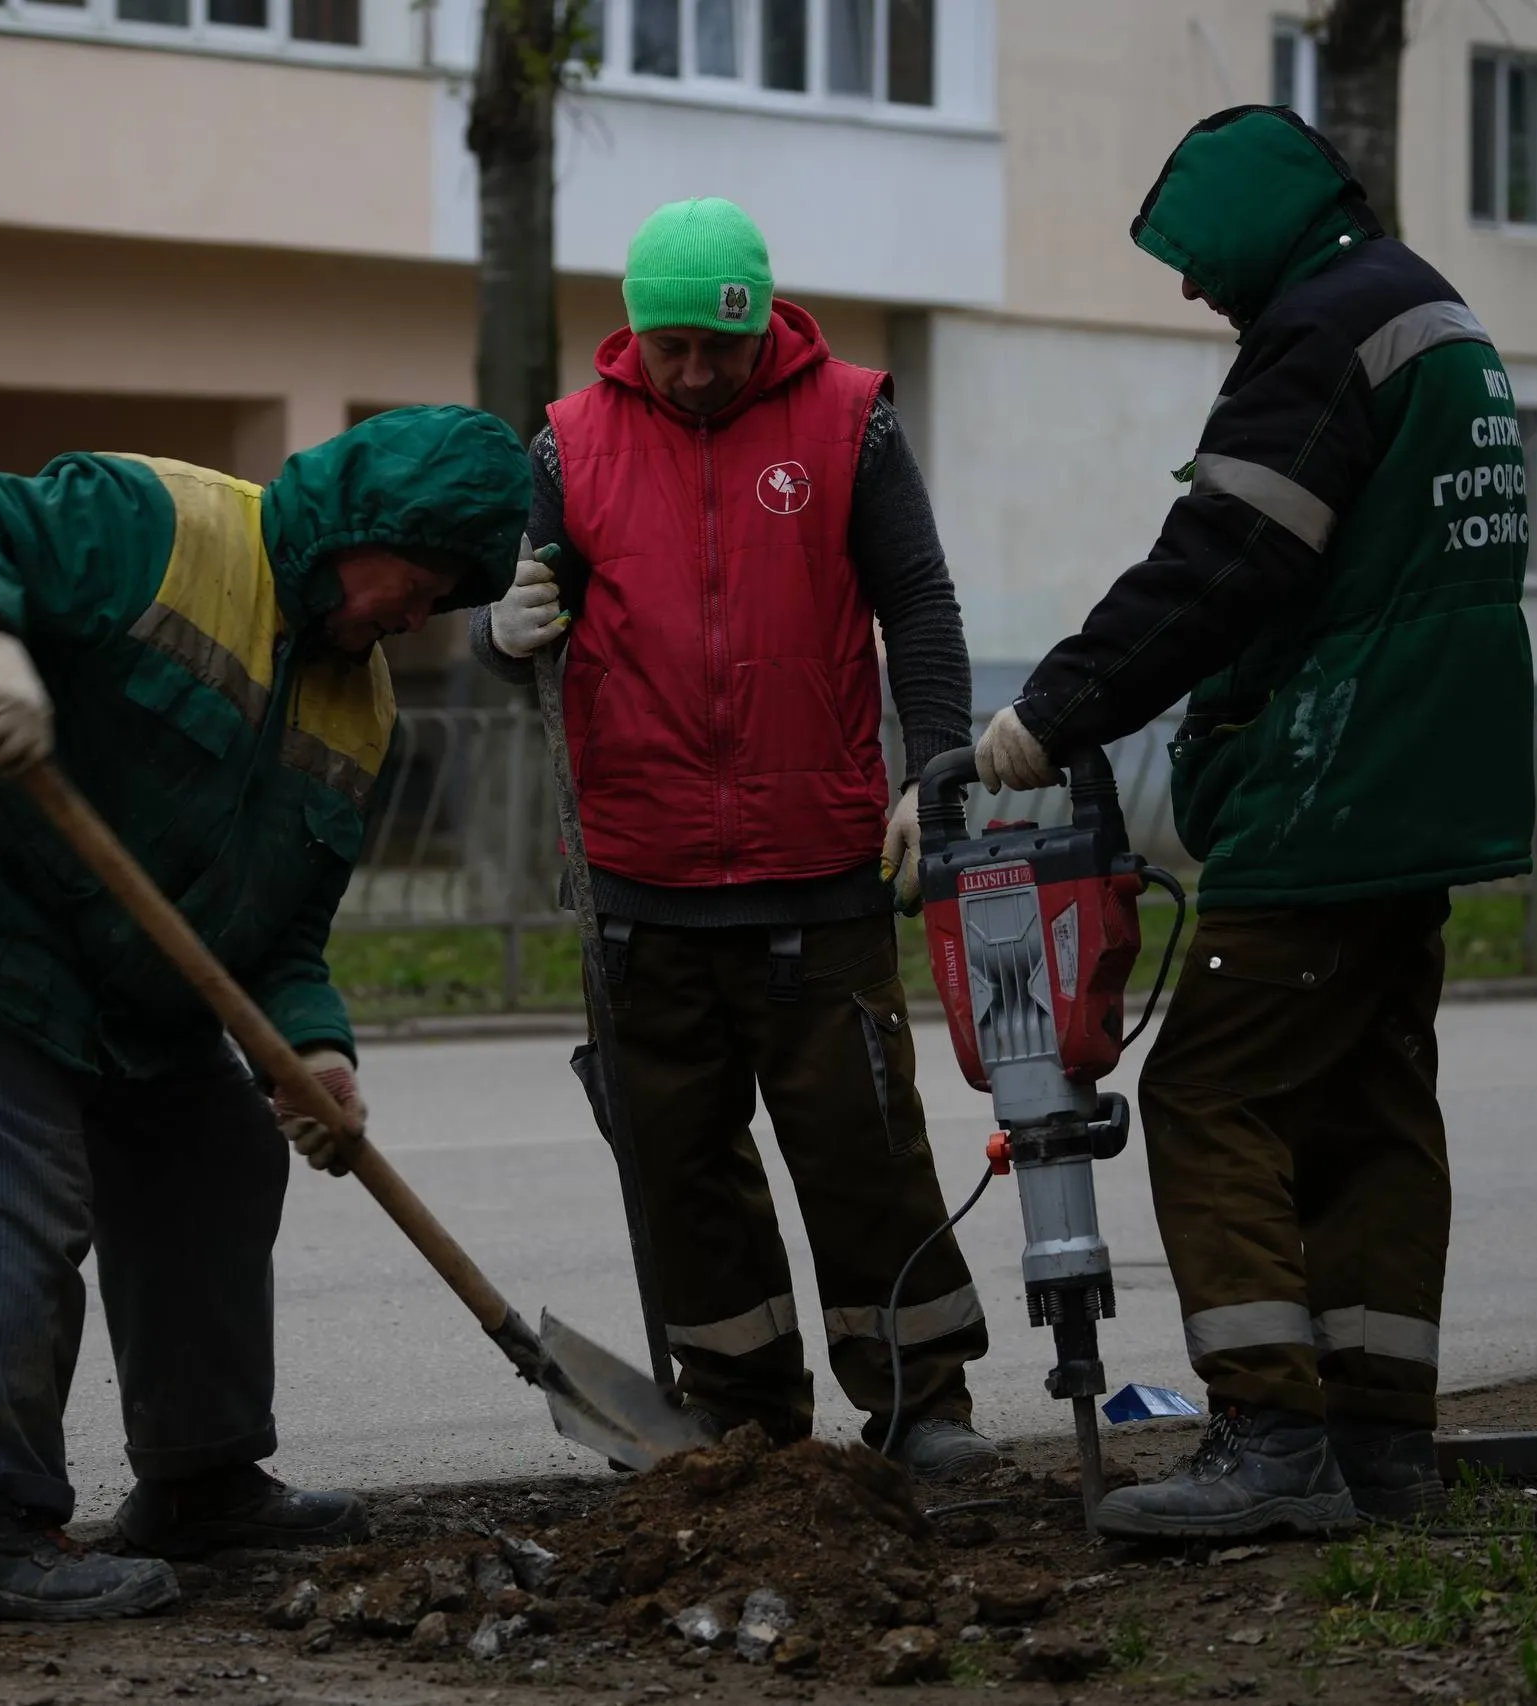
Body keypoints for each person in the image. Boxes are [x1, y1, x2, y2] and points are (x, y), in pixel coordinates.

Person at [0, 405, 530, 1619]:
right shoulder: (162, 523)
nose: (414, 620)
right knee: (14, 1193)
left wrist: (314, 1048)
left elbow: (285, 929)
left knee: (215, 1158)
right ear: (364, 527)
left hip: (134, 978)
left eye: (441, 603)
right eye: (415, 587)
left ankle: (199, 1479)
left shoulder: (358, 708)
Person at [976, 108, 1535, 1537]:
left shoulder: (1321, 330)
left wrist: (1047, 716)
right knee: (1369, 1104)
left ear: (1253, 225)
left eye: (1194, 254)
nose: (1188, 286)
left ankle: (1272, 1440)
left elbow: (1225, 559)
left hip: (1335, 783)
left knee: (1209, 1090)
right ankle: (1381, 1442)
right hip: (1429, 786)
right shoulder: (1433, 315)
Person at [447, 196, 993, 1480]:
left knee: (863, 1153)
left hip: (822, 874)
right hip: (640, 886)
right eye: (671, 347)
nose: (695, 372)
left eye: (721, 347)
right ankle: (743, 1412)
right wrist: (496, 632)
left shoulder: (850, 422)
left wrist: (935, 774)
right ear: (635, 332)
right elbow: (518, 618)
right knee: (681, 1174)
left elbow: (919, 604)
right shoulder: (569, 443)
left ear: (765, 326)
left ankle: (922, 1402)